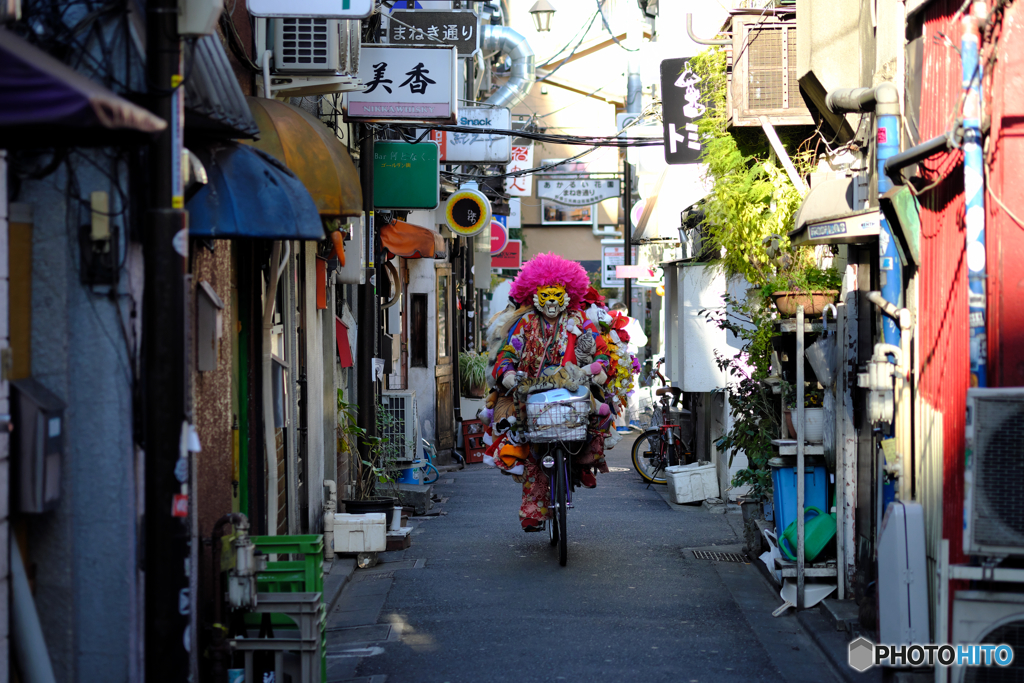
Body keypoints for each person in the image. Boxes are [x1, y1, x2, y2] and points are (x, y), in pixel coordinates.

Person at [479, 253, 613, 531]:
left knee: (597, 417)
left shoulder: (579, 320)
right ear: (535, 294)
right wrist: (507, 372)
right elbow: (508, 351)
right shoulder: (525, 323)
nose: (551, 301)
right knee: (532, 450)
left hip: (573, 389)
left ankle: (586, 464)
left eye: (557, 294)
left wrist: (595, 368)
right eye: (545, 294)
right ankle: (533, 511)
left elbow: (600, 352)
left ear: (567, 294)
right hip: (533, 391)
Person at [609, 302, 646, 431]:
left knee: (617, 390)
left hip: (615, 359)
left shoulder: (610, 321)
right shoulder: (633, 322)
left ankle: (620, 424)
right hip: (629, 359)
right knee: (632, 389)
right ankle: (633, 420)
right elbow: (643, 341)